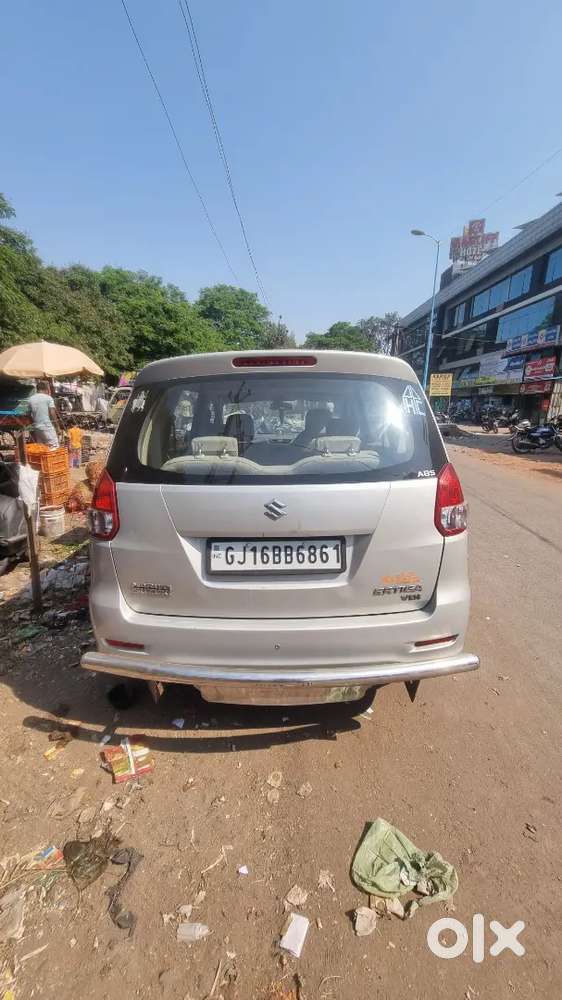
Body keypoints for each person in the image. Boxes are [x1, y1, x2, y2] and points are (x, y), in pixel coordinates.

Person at [26, 380, 60, 448]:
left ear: (37, 389)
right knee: (54, 446)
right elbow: (52, 413)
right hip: (47, 426)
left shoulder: (30, 399)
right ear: (46, 389)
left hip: (37, 427)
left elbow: (28, 414)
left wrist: (33, 423)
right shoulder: (48, 398)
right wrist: (57, 426)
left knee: (42, 447)